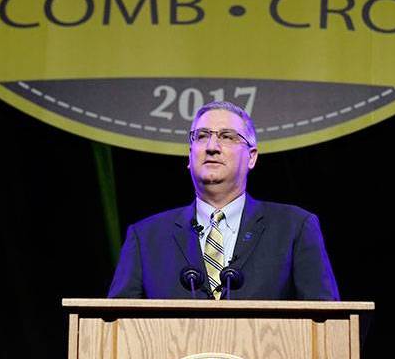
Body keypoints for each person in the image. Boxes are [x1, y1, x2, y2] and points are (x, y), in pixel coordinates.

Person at [108, 101, 339, 300]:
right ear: (189, 156)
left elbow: (326, 323)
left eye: (227, 137)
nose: (211, 147)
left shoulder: (294, 227)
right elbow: (115, 329)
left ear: (251, 157)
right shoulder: (146, 237)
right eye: (201, 136)